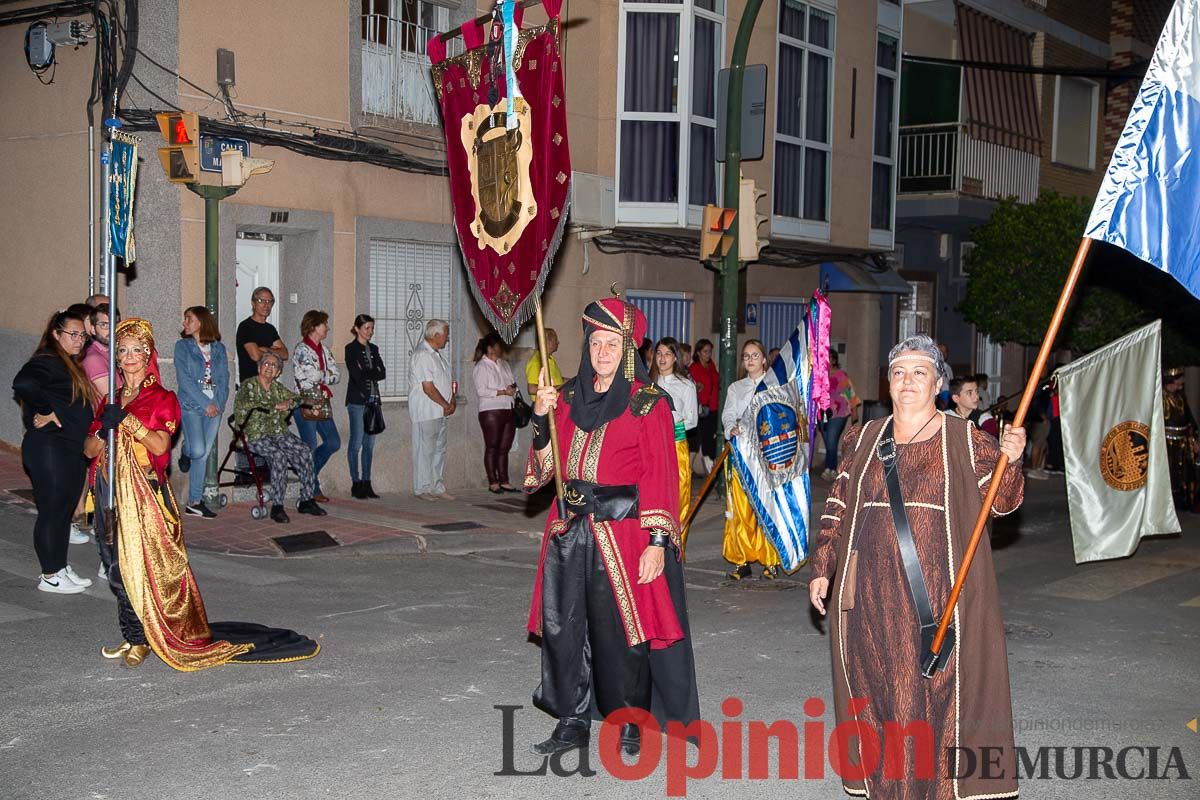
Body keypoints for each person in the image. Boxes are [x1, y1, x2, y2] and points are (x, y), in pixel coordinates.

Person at [808, 334, 1026, 800]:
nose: (908, 381)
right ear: (888, 383)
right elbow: (837, 505)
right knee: (878, 701)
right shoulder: (863, 437)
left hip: (935, 601)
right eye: (900, 372)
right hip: (865, 599)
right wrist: (823, 566)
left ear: (938, 385)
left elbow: (1003, 502)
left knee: (926, 708)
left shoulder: (962, 438)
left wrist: (1014, 457)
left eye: (919, 372)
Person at [84, 318, 320, 670]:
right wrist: (105, 428)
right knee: (115, 567)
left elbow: (162, 443)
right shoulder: (110, 399)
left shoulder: (162, 398)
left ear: (148, 355)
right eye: (123, 350)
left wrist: (130, 424)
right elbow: (89, 450)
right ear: (116, 358)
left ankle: (145, 638)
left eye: (137, 350)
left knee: (150, 569)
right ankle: (133, 635)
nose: (129, 356)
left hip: (144, 494)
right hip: (107, 489)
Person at [525, 297, 699, 757]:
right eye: (596, 342)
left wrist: (657, 542)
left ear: (627, 350)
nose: (602, 351)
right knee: (566, 628)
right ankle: (571, 718)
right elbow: (543, 473)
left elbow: (661, 475)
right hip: (568, 529)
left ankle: (629, 719)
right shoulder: (562, 398)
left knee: (623, 630)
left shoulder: (648, 404)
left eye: (612, 343)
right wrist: (541, 422)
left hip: (622, 532)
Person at [12, 309, 99, 594]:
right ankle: (50, 575)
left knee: (63, 512)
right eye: (72, 334)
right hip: (50, 448)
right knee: (52, 511)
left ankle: (59, 566)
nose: (79, 340)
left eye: (83, 336)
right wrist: (46, 410)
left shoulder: (67, 364)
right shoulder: (47, 361)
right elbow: (23, 383)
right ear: (55, 334)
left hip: (69, 448)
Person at [233, 351, 327, 524]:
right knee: (278, 456)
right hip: (255, 434)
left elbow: (295, 398)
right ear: (259, 367)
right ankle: (277, 506)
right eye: (266, 364)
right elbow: (248, 406)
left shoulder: (277, 388)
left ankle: (306, 500)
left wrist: (298, 402)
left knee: (304, 450)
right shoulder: (249, 385)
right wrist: (276, 406)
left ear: (278, 372)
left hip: (278, 432)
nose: (269, 368)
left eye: (274, 365)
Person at [721, 339, 782, 580]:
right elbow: (727, 415)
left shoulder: (775, 386)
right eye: (746, 356)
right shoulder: (736, 388)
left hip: (767, 456)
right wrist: (731, 428)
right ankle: (741, 559)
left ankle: (770, 559)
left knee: (766, 508)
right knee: (740, 508)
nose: (750, 360)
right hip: (741, 454)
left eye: (755, 355)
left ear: (764, 359)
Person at [174, 306, 229, 518]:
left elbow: (224, 377)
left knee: (203, 455)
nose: (184, 323)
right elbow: (184, 379)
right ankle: (186, 449)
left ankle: (194, 502)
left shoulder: (219, 349)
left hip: (214, 407)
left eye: (189, 319)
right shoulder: (183, 347)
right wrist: (205, 403)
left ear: (201, 322)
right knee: (197, 450)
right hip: (191, 405)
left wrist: (218, 404)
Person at [650, 337, 698, 534]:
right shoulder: (646, 383)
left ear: (675, 358)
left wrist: (669, 428)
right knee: (651, 495)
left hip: (675, 445)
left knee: (678, 495)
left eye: (667, 354)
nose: (662, 358)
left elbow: (692, 420)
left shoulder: (686, 385)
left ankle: (675, 545)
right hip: (650, 447)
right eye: (659, 354)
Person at [292, 310, 341, 501]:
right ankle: (312, 488)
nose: (327, 328)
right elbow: (312, 376)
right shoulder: (301, 349)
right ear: (314, 326)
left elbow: (336, 375)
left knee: (333, 442)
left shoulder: (324, 350)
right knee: (310, 445)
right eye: (324, 324)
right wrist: (324, 374)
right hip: (304, 402)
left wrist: (322, 374)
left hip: (321, 401)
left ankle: (306, 473)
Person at [410, 319, 456, 501]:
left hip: (440, 411)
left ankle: (436, 485)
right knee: (425, 449)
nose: (447, 338)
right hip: (427, 411)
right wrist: (445, 404)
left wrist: (451, 401)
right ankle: (422, 488)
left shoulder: (437, 355)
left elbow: (445, 382)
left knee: (439, 449)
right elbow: (428, 387)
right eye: (445, 334)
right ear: (436, 335)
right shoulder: (422, 355)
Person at [345, 313, 386, 500]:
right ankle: (356, 482)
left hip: (373, 401)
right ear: (357, 329)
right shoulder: (351, 349)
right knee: (356, 443)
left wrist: (368, 372)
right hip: (357, 401)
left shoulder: (374, 349)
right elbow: (356, 375)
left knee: (369, 444)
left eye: (372, 328)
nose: (370, 332)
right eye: (366, 328)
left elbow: (381, 372)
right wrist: (371, 372)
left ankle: (367, 482)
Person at [472, 332, 518, 494]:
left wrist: (512, 389)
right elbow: (481, 390)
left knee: (504, 446)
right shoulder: (481, 366)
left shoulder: (503, 364)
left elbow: (512, 382)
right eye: (498, 346)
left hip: (508, 408)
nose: (501, 349)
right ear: (491, 348)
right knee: (492, 446)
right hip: (491, 410)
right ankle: (493, 482)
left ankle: (504, 480)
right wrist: (501, 392)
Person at [820, 348, 859, 481]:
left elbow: (850, 393)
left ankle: (829, 469)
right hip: (822, 413)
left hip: (839, 412)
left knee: (831, 440)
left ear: (834, 360)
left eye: (830, 358)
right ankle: (832, 467)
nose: (827, 361)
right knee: (828, 442)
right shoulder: (818, 376)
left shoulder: (841, 375)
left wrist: (854, 411)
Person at [1162, 367, 1198, 511]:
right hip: (1167, 442)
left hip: (1183, 441)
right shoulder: (1160, 397)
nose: (1183, 381)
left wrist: (1194, 439)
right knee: (1169, 471)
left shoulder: (1181, 396)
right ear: (1173, 380)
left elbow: (1189, 419)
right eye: (1180, 378)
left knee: (1184, 472)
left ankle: (1182, 501)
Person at [235, 286, 288, 383]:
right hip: (251, 384)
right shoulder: (246, 327)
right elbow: (255, 356)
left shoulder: (270, 329)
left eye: (269, 301)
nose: (266, 305)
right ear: (253, 303)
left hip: (269, 385)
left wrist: (266, 349)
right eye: (261, 301)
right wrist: (275, 352)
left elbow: (285, 354)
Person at [688, 338, 720, 470]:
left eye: (709, 351)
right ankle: (707, 470)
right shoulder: (694, 368)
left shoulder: (711, 365)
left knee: (711, 440)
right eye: (705, 351)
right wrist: (696, 387)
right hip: (701, 409)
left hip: (713, 407)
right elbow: (690, 388)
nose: (708, 354)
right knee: (700, 442)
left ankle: (710, 469)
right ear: (698, 353)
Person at [525, 326, 563, 397]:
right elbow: (532, 389)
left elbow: (556, 380)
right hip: (544, 405)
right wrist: (556, 389)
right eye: (555, 340)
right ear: (548, 342)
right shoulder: (537, 362)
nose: (558, 342)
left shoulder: (550, 359)